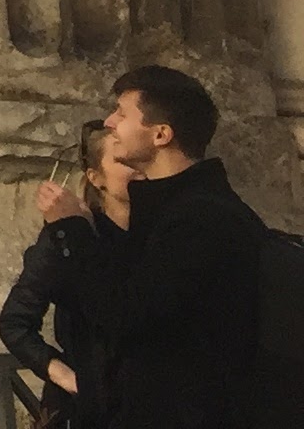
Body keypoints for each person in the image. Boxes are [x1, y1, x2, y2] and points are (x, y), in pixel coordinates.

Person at [86, 64, 269, 428]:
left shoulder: (202, 219)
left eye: (122, 113)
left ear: (161, 135)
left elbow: (129, 319)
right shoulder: (170, 209)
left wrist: (71, 231)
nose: (109, 122)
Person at [9, 123, 131, 424]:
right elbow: (15, 324)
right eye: (123, 161)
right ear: (95, 177)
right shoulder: (67, 238)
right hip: (86, 411)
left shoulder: (162, 235)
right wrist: (71, 380)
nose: (138, 169)